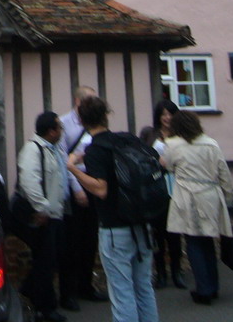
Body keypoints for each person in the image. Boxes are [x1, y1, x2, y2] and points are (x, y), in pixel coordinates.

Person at [67, 95, 160, 322]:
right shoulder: (126, 141)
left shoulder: (96, 150)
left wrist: (73, 168)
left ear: (81, 120)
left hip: (114, 228)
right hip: (140, 222)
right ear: (106, 115)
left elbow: (100, 189)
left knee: (122, 292)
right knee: (143, 287)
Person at [164, 111, 233, 306]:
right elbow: (224, 174)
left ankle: (203, 289)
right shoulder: (211, 144)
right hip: (210, 194)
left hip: (187, 194)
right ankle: (213, 286)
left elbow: (168, 167)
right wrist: (228, 198)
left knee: (193, 242)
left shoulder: (173, 145)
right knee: (208, 242)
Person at [17, 112, 70, 322]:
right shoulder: (33, 149)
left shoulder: (52, 150)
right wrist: (43, 208)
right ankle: (44, 309)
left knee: (49, 260)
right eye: (59, 128)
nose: (62, 132)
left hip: (55, 215)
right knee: (45, 262)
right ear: (51, 131)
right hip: (44, 216)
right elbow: (29, 181)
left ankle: (31, 290)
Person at [60, 86, 106, 307]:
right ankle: (69, 292)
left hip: (95, 184)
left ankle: (86, 285)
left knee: (90, 240)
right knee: (72, 242)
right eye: (89, 99)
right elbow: (63, 161)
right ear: (77, 101)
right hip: (75, 185)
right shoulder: (64, 124)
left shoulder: (98, 124)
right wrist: (76, 188)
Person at [138, 99, 185, 289]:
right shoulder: (150, 133)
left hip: (176, 187)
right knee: (157, 234)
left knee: (174, 233)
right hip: (155, 188)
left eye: (170, 114)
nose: (167, 118)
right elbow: (140, 156)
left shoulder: (181, 135)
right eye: (164, 114)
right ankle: (161, 273)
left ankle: (177, 271)